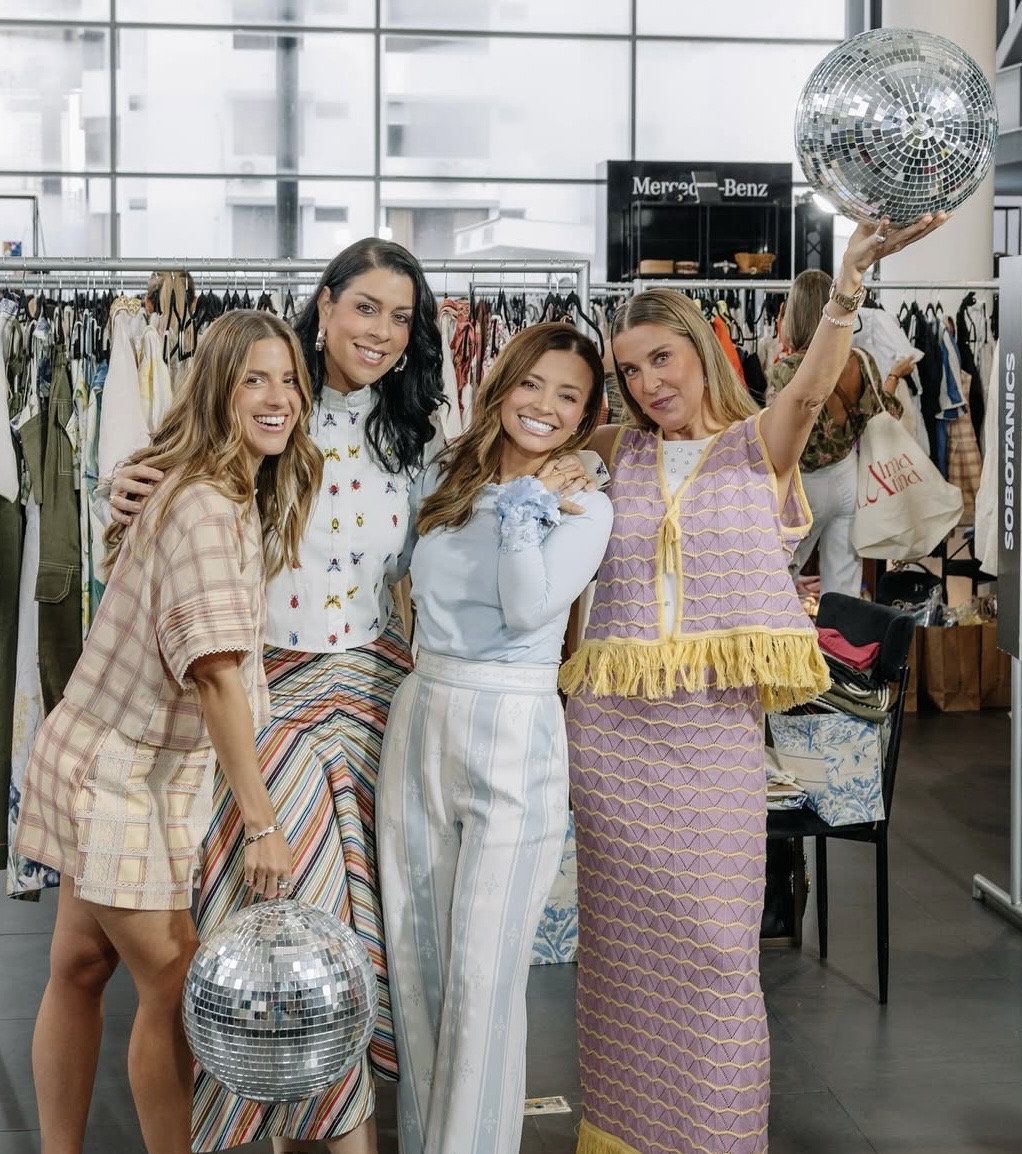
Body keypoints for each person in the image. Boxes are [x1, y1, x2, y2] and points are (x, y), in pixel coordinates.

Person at [559, 215, 945, 1154]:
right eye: (631, 370)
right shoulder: (614, 450)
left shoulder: (755, 446)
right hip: (610, 740)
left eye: (663, 359)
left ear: (701, 349)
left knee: (717, 954)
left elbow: (811, 389)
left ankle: (716, 1137)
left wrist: (847, 283)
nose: (650, 384)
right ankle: (624, 1133)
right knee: (618, 956)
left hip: (710, 740)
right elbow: (518, 439)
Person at [108, 238, 446, 1154]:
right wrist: (121, 487)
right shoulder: (265, 408)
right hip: (267, 702)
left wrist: (581, 467)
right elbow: (173, 491)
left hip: (375, 706)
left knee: (355, 943)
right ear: (325, 305)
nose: (382, 331)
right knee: (287, 942)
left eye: (401, 317)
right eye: (365, 307)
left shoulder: (418, 436)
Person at [12, 309, 321, 1154]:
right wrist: (261, 823)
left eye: (289, 380)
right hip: (119, 772)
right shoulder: (207, 506)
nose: (278, 398)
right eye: (254, 379)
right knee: (177, 980)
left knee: (79, 967)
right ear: (218, 389)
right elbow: (215, 672)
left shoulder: (206, 485)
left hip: (97, 745)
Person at [376, 322, 613, 1154]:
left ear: (587, 416)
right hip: (421, 713)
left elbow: (527, 606)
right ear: (502, 384)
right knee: (419, 967)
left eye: (568, 396)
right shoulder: (446, 473)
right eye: (531, 383)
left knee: (483, 974)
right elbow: (388, 567)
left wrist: (526, 508)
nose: (544, 405)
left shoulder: (584, 503)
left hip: (514, 722)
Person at [766, 267, 915, 597]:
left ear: (794, 314)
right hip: (848, 480)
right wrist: (893, 376)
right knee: (843, 587)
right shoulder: (859, 360)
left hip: (803, 487)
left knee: (776, 579)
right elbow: (887, 411)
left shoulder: (787, 371)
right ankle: (840, 632)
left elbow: (774, 441)